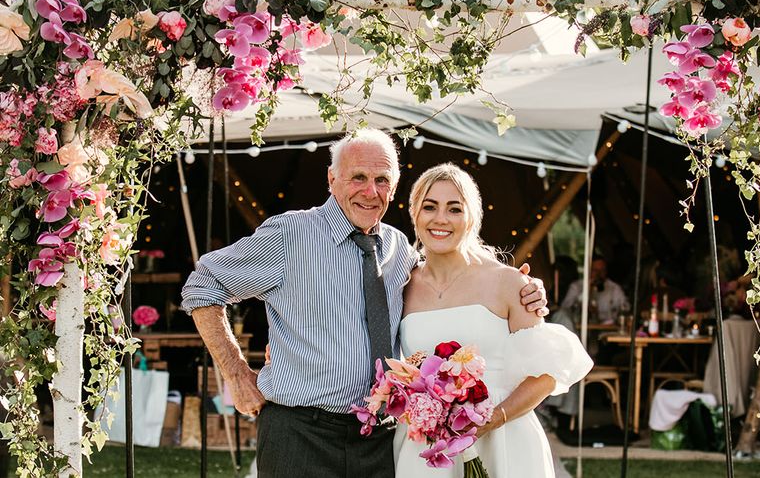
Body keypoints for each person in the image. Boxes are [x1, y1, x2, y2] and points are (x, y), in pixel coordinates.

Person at [181, 130, 548, 478]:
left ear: (395, 187)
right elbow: (203, 285)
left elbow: (456, 280)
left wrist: (523, 287)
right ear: (331, 179)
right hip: (300, 433)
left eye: (382, 180)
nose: (370, 191)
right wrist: (235, 373)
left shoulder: (398, 249)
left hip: (378, 439)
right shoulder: (290, 235)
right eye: (357, 177)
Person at [393, 163, 592, 477]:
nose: (440, 218)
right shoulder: (400, 284)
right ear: (414, 212)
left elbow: (546, 375)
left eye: (454, 209)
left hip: (504, 437)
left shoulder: (509, 283)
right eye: (430, 206)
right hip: (429, 445)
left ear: (472, 217)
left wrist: (494, 418)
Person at [560, 255, 628, 324]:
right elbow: (565, 307)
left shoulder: (614, 288)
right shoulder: (576, 286)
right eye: (595, 270)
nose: (599, 274)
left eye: (602, 270)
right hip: (580, 329)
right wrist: (587, 289)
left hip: (606, 328)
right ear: (589, 270)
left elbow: (625, 308)